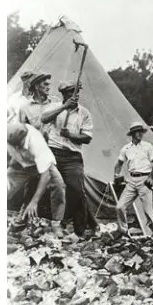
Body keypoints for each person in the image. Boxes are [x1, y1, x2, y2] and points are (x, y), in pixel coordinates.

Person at [40, 80, 99, 238]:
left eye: (76, 93)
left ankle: (81, 229)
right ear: (64, 95)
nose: (75, 96)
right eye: (70, 93)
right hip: (54, 153)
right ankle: (54, 224)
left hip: (73, 157)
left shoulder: (84, 113)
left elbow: (87, 138)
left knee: (78, 191)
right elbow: (44, 119)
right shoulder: (55, 107)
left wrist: (71, 135)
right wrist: (64, 107)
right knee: (55, 188)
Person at [7, 123, 66, 238]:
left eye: (20, 144)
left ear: (25, 137)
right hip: (20, 163)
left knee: (59, 185)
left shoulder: (36, 141)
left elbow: (46, 174)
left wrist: (35, 202)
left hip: (41, 163)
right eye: (14, 146)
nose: (18, 148)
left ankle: (56, 223)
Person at [113, 122, 153, 239]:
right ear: (132, 134)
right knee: (120, 207)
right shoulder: (126, 148)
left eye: (141, 132)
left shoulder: (148, 146)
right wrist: (116, 175)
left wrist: (151, 177)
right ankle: (123, 232)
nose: (140, 134)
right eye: (137, 132)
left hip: (144, 179)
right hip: (131, 180)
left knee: (148, 211)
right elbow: (119, 164)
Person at [19, 72, 54, 138]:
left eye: (49, 85)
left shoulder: (54, 105)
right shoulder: (25, 107)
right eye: (46, 84)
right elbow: (22, 132)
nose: (49, 88)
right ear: (36, 86)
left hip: (51, 146)